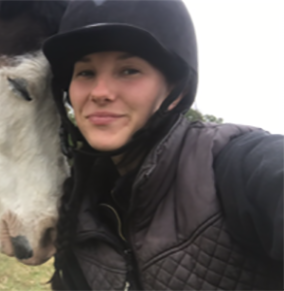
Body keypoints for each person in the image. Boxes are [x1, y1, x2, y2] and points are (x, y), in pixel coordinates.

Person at [42, 0, 284, 290]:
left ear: (176, 91)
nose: (100, 92)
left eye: (129, 70)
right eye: (86, 73)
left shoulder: (231, 163)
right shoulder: (78, 204)